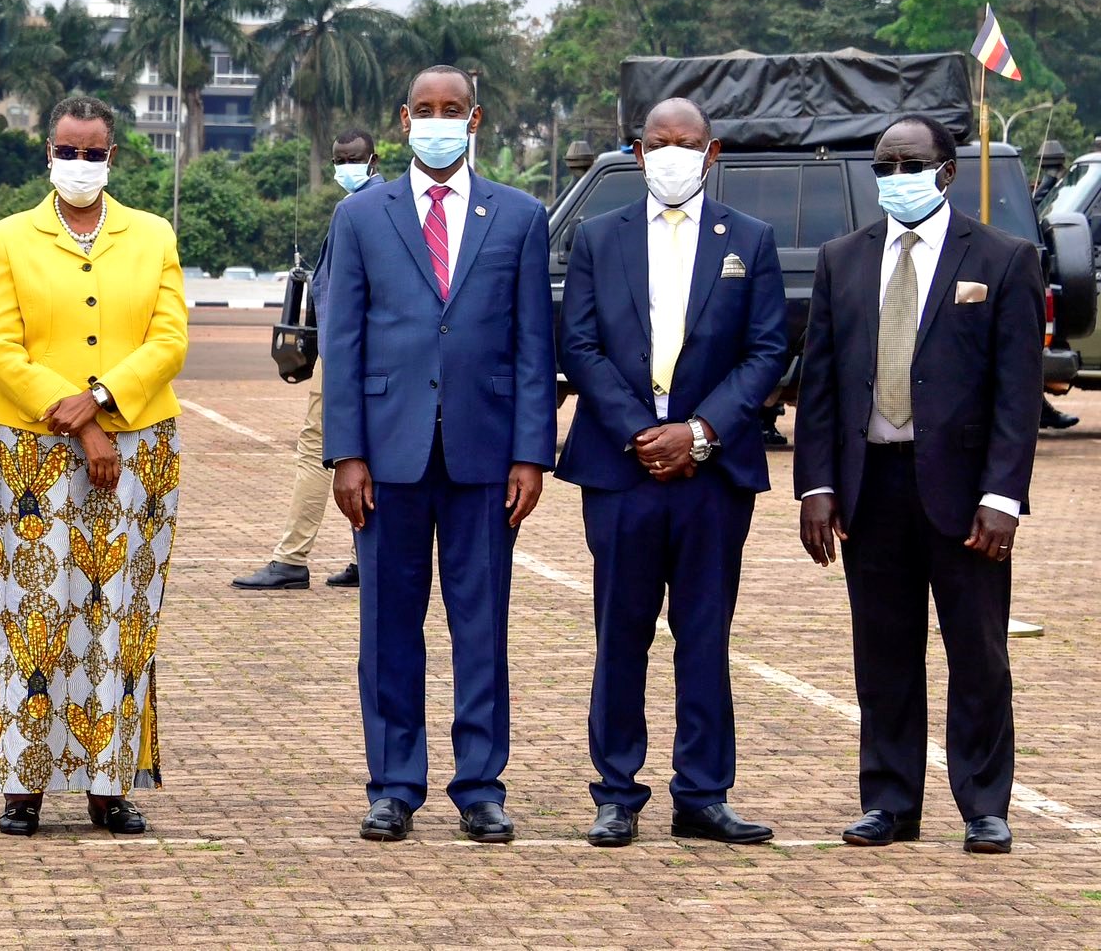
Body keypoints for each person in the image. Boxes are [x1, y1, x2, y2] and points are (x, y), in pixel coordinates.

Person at [796, 115, 1043, 855]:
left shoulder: (1001, 258)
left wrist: (1003, 495)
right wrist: (815, 485)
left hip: (965, 496)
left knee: (977, 653)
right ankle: (890, 800)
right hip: (872, 485)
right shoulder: (843, 258)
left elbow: (1018, 390)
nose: (895, 176)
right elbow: (820, 385)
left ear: (946, 171)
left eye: (910, 163)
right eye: (884, 164)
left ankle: (984, 805)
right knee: (884, 654)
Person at [321, 65, 555, 844]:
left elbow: (532, 344)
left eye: (452, 109)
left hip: (486, 457)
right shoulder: (360, 216)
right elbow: (342, 341)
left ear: (475, 119)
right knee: (389, 625)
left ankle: (481, 784)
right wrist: (345, 454)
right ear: (403, 119)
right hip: (387, 455)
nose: (438, 119)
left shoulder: (520, 216)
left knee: (481, 624)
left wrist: (532, 453)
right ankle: (394, 782)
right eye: (425, 109)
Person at [556, 99, 789, 848]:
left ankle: (703, 792)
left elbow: (766, 352)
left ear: (712, 153)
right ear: (637, 151)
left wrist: (697, 433)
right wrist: (641, 434)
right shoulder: (599, 238)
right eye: (660, 144)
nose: (674, 155)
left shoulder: (749, 241)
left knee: (704, 633)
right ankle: (616, 791)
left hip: (711, 476)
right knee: (620, 632)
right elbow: (581, 345)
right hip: (621, 471)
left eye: (688, 145)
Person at [0, 94, 189, 836]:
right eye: (66, 152)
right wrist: (70, 414)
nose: (79, 165)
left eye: (92, 152)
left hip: (139, 447)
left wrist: (99, 400)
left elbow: (169, 341)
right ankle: (23, 786)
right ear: (47, 152)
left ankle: (109, 785)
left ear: (113, 157)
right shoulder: (9, 236)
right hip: (31, 448)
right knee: (35, 617)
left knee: (120, 617)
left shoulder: (152, 234)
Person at [235, 128, 380, 591]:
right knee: (369, 453)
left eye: (351, 158)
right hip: (377, 354)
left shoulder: (353, 209)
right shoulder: (393, 204)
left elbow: (337, 292)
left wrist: (328, 358)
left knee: (317, 449)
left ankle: (292, 558)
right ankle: (365, 556)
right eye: (339, 159)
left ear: (372, 159)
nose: (344, 167)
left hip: (344, 351)